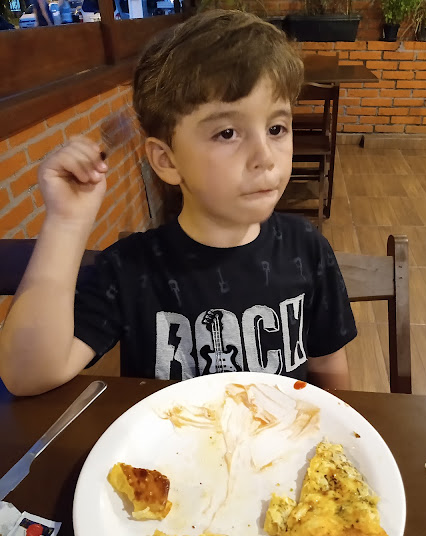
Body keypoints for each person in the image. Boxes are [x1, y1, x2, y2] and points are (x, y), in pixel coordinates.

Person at [0, 10, 357, 396]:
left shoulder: (307, 248)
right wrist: (66, 223)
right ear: (167, 161)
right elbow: (25, 375)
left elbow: (328, 365)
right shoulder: (130, 269)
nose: (265, 156)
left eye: (276, 128)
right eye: (227, 133)